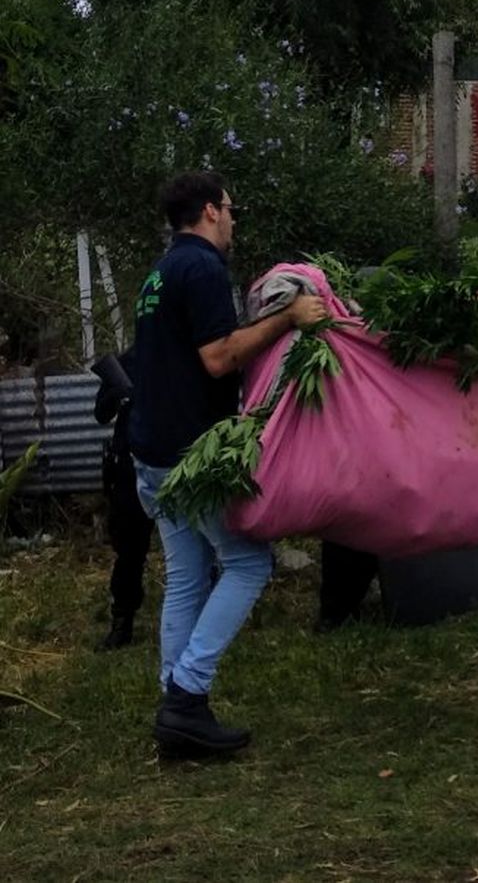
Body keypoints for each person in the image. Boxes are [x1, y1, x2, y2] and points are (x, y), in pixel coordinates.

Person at [130, 171, 328, 756]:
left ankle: (175, 706)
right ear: (212, 211)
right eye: (231, 210)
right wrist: (289, 317)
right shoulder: (203, 269)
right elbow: (218, 358)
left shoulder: (161, 272)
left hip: (153, 451)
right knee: (247, 563)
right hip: (190, 456)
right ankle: (188, 695)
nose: (235, 220)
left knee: (189, 576)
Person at [91, 347, 151, 651]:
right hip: (129, 466)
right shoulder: (128, 361)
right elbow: (102, 413)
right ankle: (122, 622)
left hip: (175, 462)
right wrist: (119, 393)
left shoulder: (184, 354)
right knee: (129, 551)